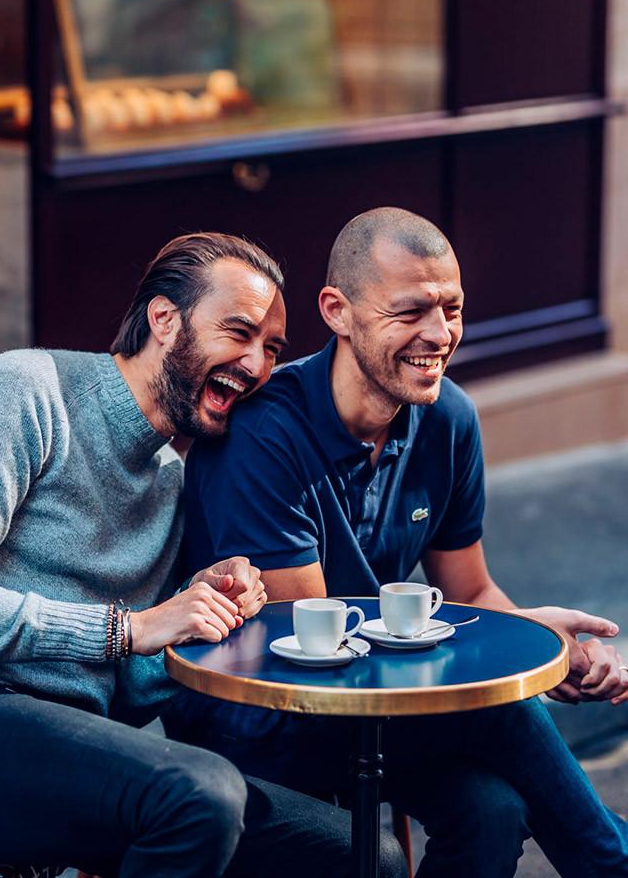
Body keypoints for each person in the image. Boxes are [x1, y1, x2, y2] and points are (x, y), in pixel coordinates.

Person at [0, 232, 406, 878]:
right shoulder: (22, 391)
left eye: (273, 349)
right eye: (239, 333)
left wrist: (203, 614)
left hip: (67, 746)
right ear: (164, 320)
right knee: (199, 796)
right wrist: (132, 627)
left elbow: (124, 690)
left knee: (365, 856)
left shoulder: (172, 480)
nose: (258, 365)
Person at [172, 208, 628, 878]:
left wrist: (555, 654)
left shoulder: (447, 420)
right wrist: (524, 640)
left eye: (452, 308)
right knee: (504, 713)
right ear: (338, 311)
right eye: (411, 312)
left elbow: (471, 591)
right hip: (262, 713)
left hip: (387, 709)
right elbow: (314, 647)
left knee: (494, 810)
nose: (439, 335)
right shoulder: (264, 436)